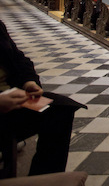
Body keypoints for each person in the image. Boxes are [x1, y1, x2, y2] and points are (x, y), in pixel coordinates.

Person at [0, 20, 86, 176]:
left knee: (60, 110)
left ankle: (44, 177)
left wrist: (29, 82)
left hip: (13, 99)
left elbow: (19, 60)